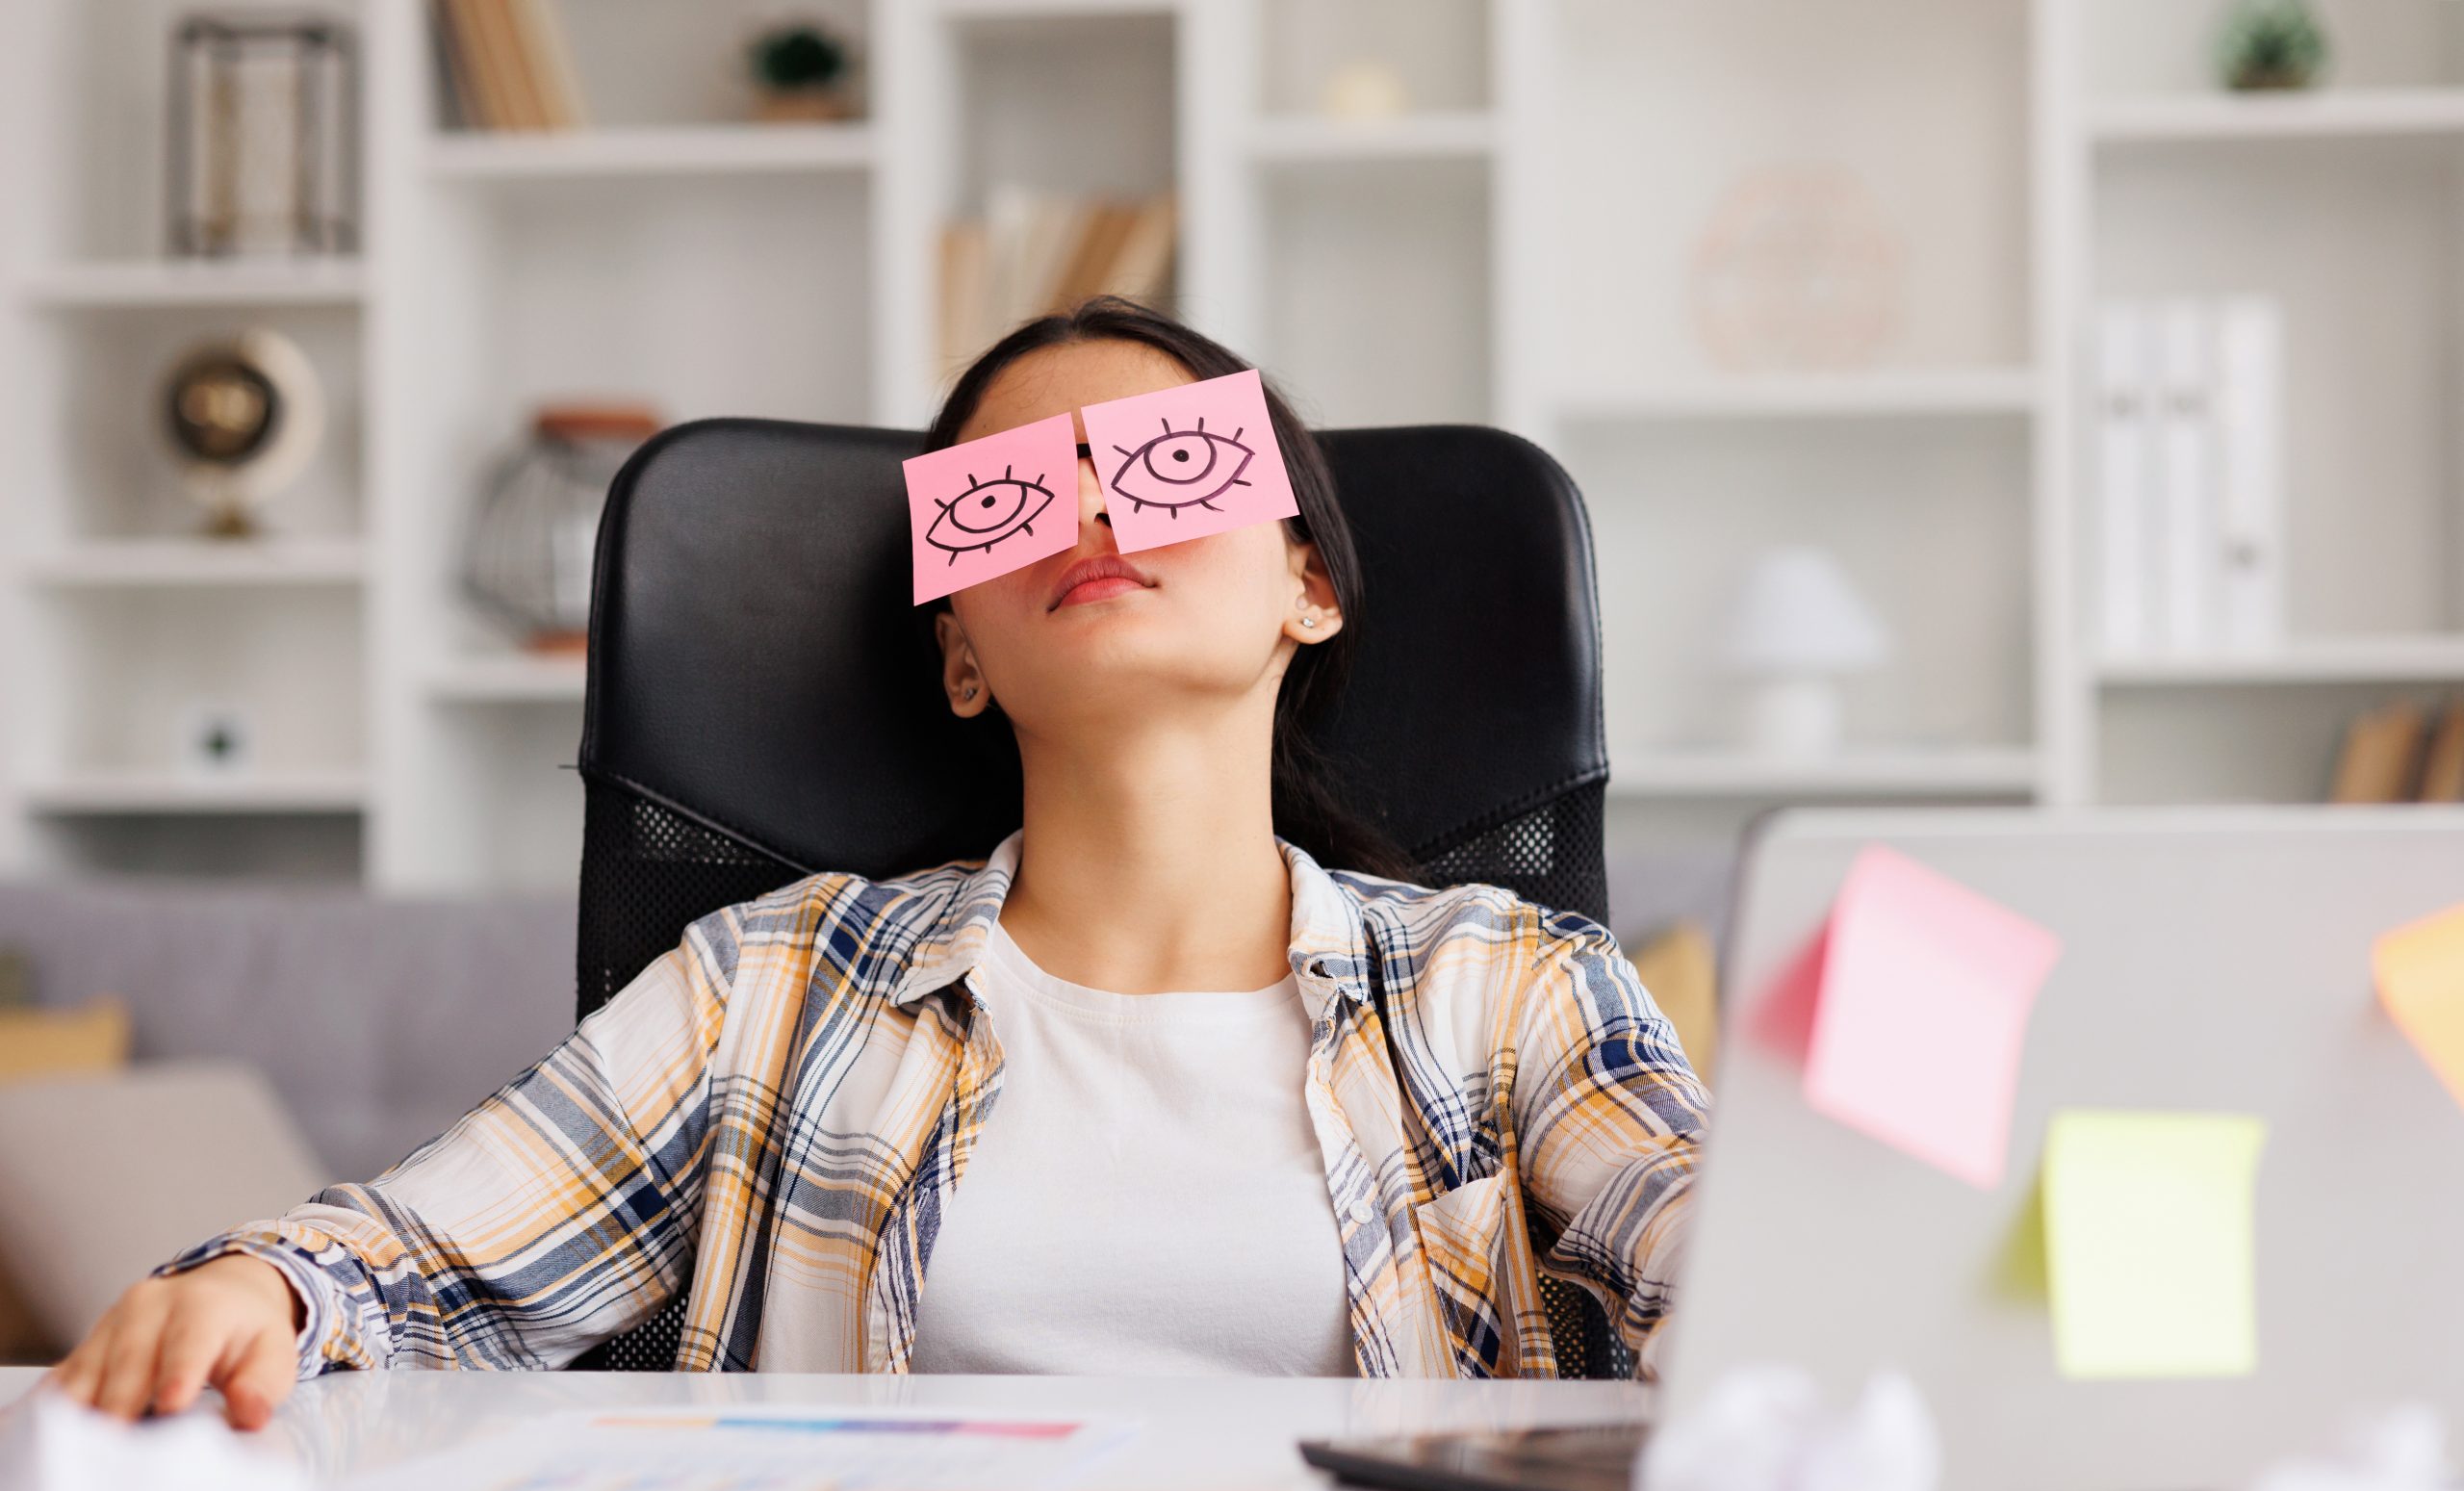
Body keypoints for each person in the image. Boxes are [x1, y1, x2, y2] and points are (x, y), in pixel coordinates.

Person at [47, 298, 1708, 1429]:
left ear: (1309, 589)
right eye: (1011, 499)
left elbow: (1716, 1244)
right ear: (961, 655)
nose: (1093, 519)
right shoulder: (768, 984)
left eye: (1166, 464)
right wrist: (263, 1284)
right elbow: (412, 1263)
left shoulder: (1515, 987)